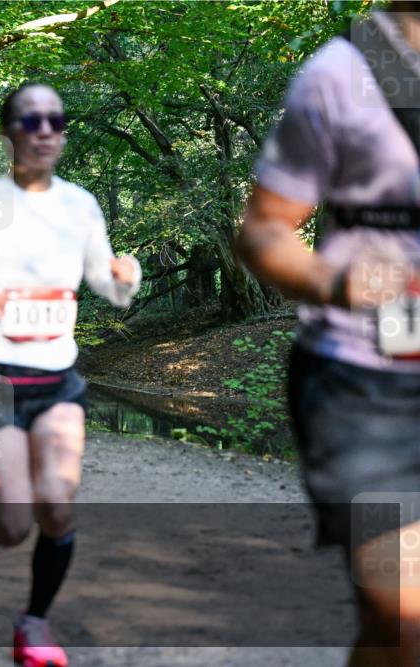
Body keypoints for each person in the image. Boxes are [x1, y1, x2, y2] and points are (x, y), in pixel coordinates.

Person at [0, 83, 141, 667]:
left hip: (57, 382)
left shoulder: (80, 205)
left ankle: (34, 623)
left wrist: (125, 277)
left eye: (55, 119)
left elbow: (105, 282)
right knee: (15, 526)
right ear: (9, 133)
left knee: (58, 505)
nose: (45, 129)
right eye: (31, 120)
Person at [237, 6, 419, 666]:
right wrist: (339, 281)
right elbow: (262, 229)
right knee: (404, 617)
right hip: (365, 387)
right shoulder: (338, 74)